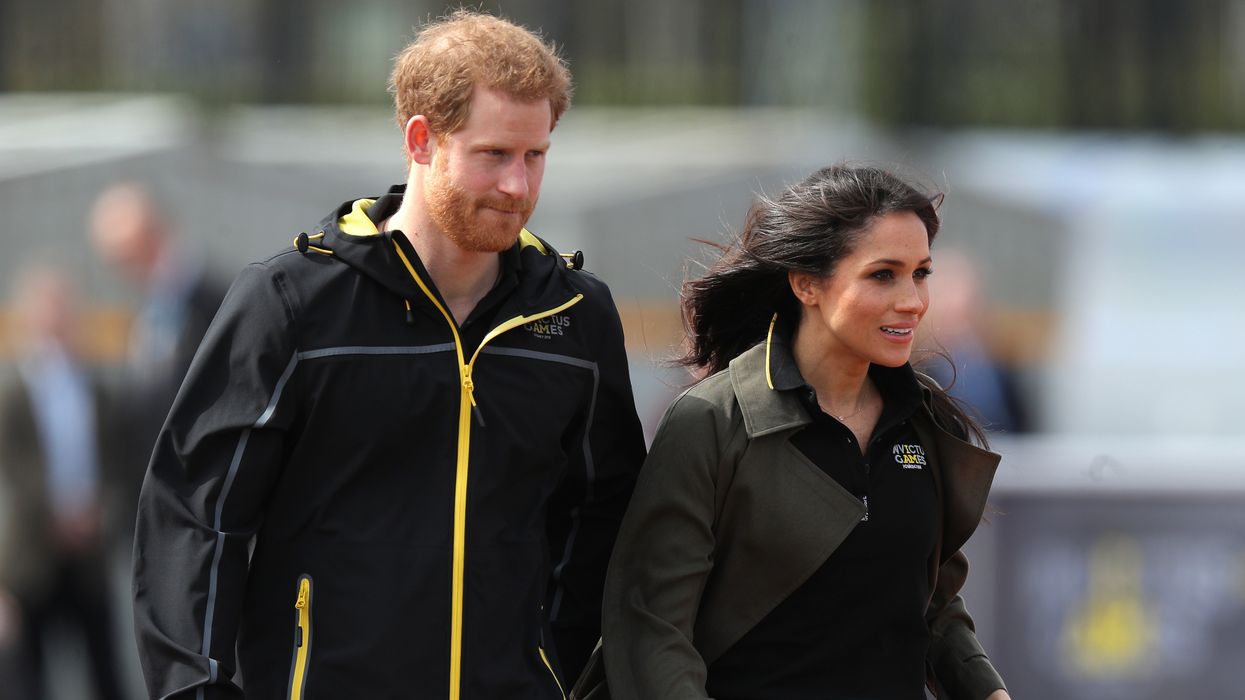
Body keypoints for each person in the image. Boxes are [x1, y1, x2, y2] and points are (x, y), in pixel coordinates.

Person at [132, 10, 645, 700]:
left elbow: (604, 521)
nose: (518, 187)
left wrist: (561, 676)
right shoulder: (291, 304)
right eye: (494, 154)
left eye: (535, 156)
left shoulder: (575, 318)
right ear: (421, 139)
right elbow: (196, 515)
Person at [595, 166, 1010, 699]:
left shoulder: (927, 421)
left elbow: (932, 605)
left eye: (921, 273)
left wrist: (988, 691)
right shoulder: (711, 421)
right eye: (883, 275)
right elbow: (652, 627)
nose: (913, 300)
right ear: (806, 283)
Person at [0, 265, 126, 700]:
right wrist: (55, 517)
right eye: (46, 308)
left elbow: (114, 465)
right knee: (27, 678)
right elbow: (16, 471)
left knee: (105, 673)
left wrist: (98, 514)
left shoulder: (97, 388)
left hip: (88, 557)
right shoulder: (14, 392)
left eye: (63, 308)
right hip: (32, 560)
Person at [89, 181, 226, 536]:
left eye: (124, 256)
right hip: (155, 510)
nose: (121, 270)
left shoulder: (222, 302)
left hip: (205, 510)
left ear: (149, 237)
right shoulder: (148, 310)